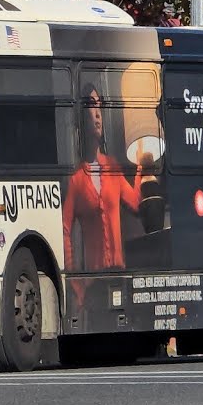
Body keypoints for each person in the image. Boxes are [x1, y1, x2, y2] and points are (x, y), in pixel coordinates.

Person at [62, 83, 145, 273]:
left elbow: (135, 203)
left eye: (100, 106)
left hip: (119, 273)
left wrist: (141, 167)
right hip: (93, 281)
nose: (98, 114)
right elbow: (65, 230)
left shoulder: (113, 167)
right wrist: (75, 281)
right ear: (82, 115)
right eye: (92, 106)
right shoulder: (77, 181)